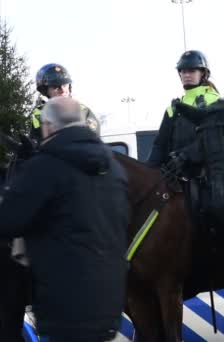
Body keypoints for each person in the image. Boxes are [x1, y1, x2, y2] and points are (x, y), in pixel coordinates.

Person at [0, 97, 129, 341]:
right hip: (108, 302)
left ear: (48, 126)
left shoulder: (45, 166)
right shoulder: (113, 168)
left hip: (64, 304)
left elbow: (8, 220)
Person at [146, 50, 221, 168]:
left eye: (191, 71)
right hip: (176, 175)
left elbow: (214, 140)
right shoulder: (173, 109)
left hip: (207, 174)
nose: (186, 75)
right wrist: (148, 173)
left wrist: (185, 156)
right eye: (183, 71)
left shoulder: (215, 102)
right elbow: (159, 145)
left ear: (203, 73)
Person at [29, 63, 100, 144]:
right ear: (45, 90)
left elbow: (93, 145)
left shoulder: (83, 111)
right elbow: (36, 141)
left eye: (65, 85)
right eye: (56, 87)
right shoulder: (39, 114)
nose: (62, 90)